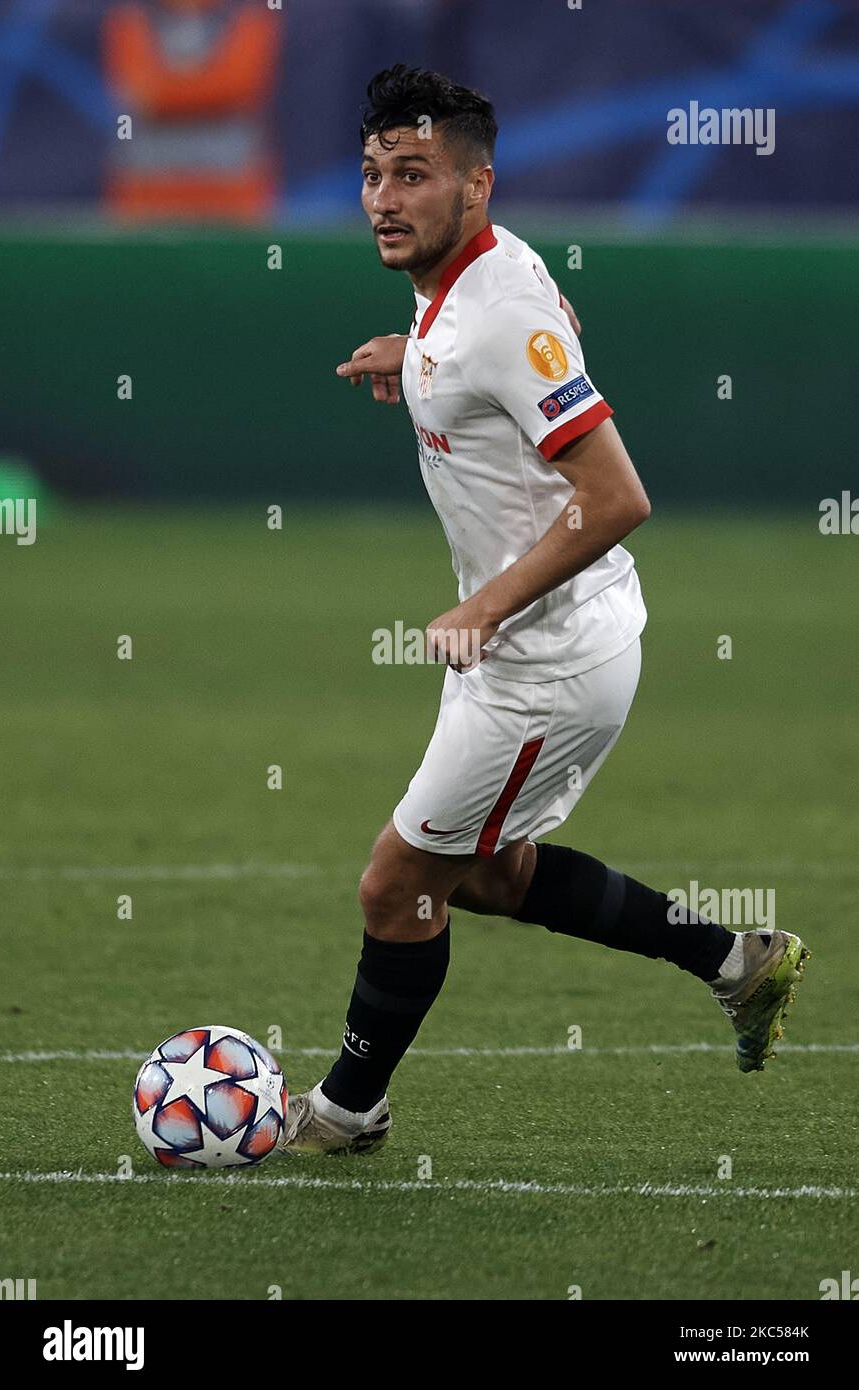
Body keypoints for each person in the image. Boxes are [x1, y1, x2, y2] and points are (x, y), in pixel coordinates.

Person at [281, 65, 809, 1155]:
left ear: (477, 184)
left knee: (394, 883)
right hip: (545, 645)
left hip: (543, 663)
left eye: (413, 175)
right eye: (373, 172)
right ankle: (733, 962)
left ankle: (345, 1110)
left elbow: (617, 495)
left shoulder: (498, 308)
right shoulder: (463, 283)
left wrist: (485, 604)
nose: (383, 197)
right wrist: (414, 366)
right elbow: (494, 370)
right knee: (486, 873)